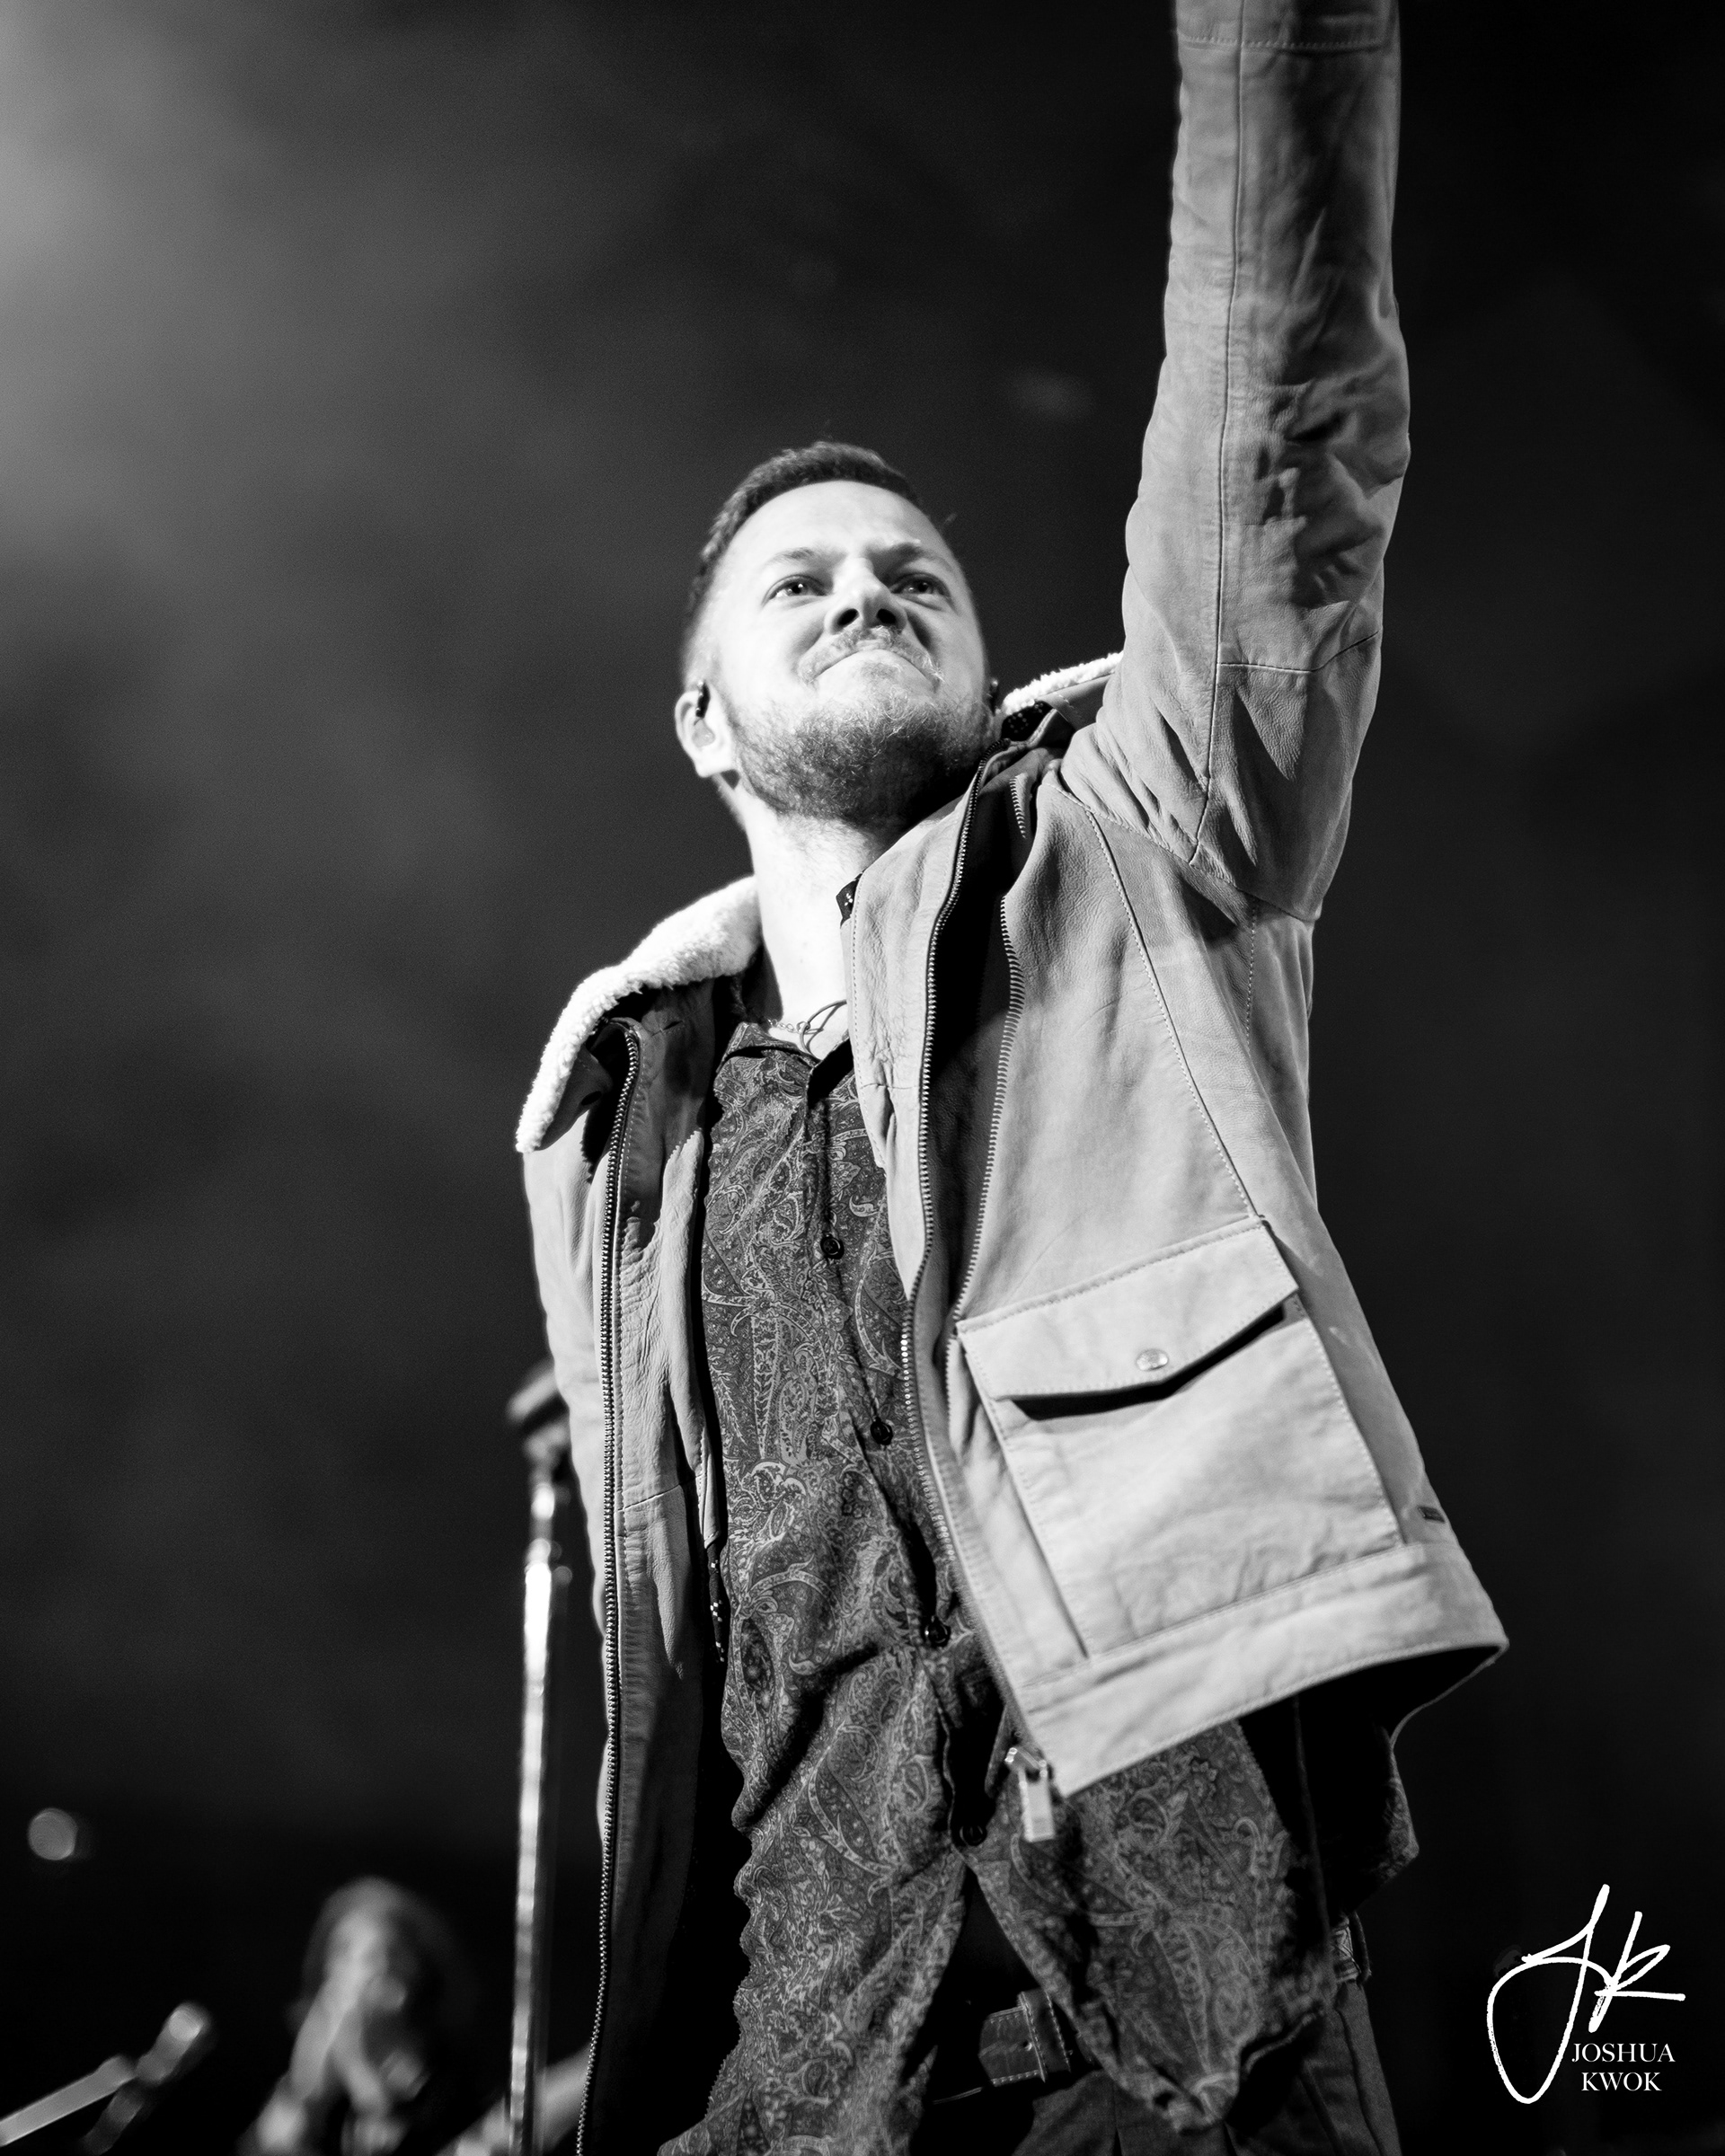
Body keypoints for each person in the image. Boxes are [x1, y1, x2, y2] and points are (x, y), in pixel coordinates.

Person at [517, 2, 1506, 2149]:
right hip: (795, 2072)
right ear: (701, 720)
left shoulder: (1151, 840)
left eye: (916, 578)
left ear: (988, 677)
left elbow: (1277, 423)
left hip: (1176, 2017)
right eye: (800, 581)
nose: (865, 591)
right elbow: (689, 1659)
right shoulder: (624, 1131)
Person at [239, 1879, 482, 2156]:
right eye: (346, 1952)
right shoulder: (314, 2065)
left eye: (390, 1951)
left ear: (417, 1970)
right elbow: (273, 2144)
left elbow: (397, 2144)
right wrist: (306, 2088)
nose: (374, 1967)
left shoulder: (445, 2083)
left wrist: (356, 2068)